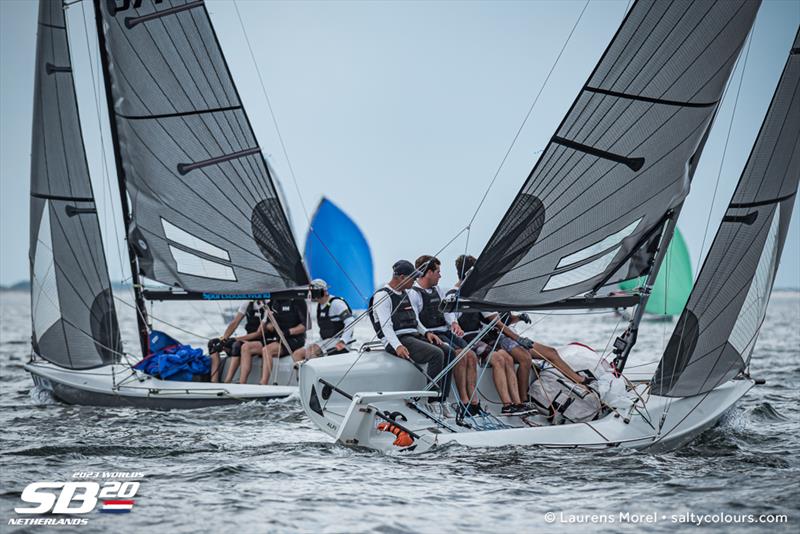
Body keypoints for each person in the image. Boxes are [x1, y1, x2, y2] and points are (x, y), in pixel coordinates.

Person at [454, 255, 593, 405]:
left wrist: (519, 318)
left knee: (551, 352)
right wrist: (518, 339)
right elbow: (497, 324)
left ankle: (578, 380)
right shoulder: (472, 295)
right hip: (497, 339)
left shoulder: (488, 292)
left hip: (506, 336)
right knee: (525, 358)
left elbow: (504, 319)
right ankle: (523, 400)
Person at [369, 260, 448, 411]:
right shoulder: (382, 296)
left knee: (448, 351)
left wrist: (427, 332)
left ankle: (442, 398)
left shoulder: (406, 293)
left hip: (413, 335)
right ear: (402, 277)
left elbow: (415, 319)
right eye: (413, 278)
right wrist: (397, 346)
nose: (415, 281)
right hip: (398, 340)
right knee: (436, 354)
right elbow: (386, 326)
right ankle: (432, 401)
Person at [409, 255, 482, 417]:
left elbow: (448, 312)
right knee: (457, 355)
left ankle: (473, 401)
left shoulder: (438, 290)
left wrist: (454, 323)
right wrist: (426, 333)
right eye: (438, 272)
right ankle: (458, 400)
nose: (440, 275)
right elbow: (414, 320)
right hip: (430, 335)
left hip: (445, 331)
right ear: (428, 272)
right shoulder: (413, 294)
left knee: (471, 354)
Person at [239, 297, 308, 385]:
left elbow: (305, 325)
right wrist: (267, 325)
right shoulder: (272, 302)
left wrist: (288, 332)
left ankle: (263, 383)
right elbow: (265, 326)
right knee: (246, 347)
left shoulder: (298, 301)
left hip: (294, 339)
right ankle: (242, 383)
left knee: (267, 350)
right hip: (276, 338)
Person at [293, 279, 355, 360]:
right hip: (326, 341)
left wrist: (343, 341)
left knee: (311, 352)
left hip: (340, 343)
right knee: (297, 354)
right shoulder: (319, 305)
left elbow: (350, 321)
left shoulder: (336, 303)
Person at [207, 300, 266, 383]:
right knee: (213, 344)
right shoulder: (248, 304)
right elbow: (234, 323)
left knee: (237, 345)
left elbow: (259, 333)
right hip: (246, 339)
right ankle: (214, 381)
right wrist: (224, 339)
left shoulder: (267, 305)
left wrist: (236, 339)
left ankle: (228, 381)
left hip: (260, 341)